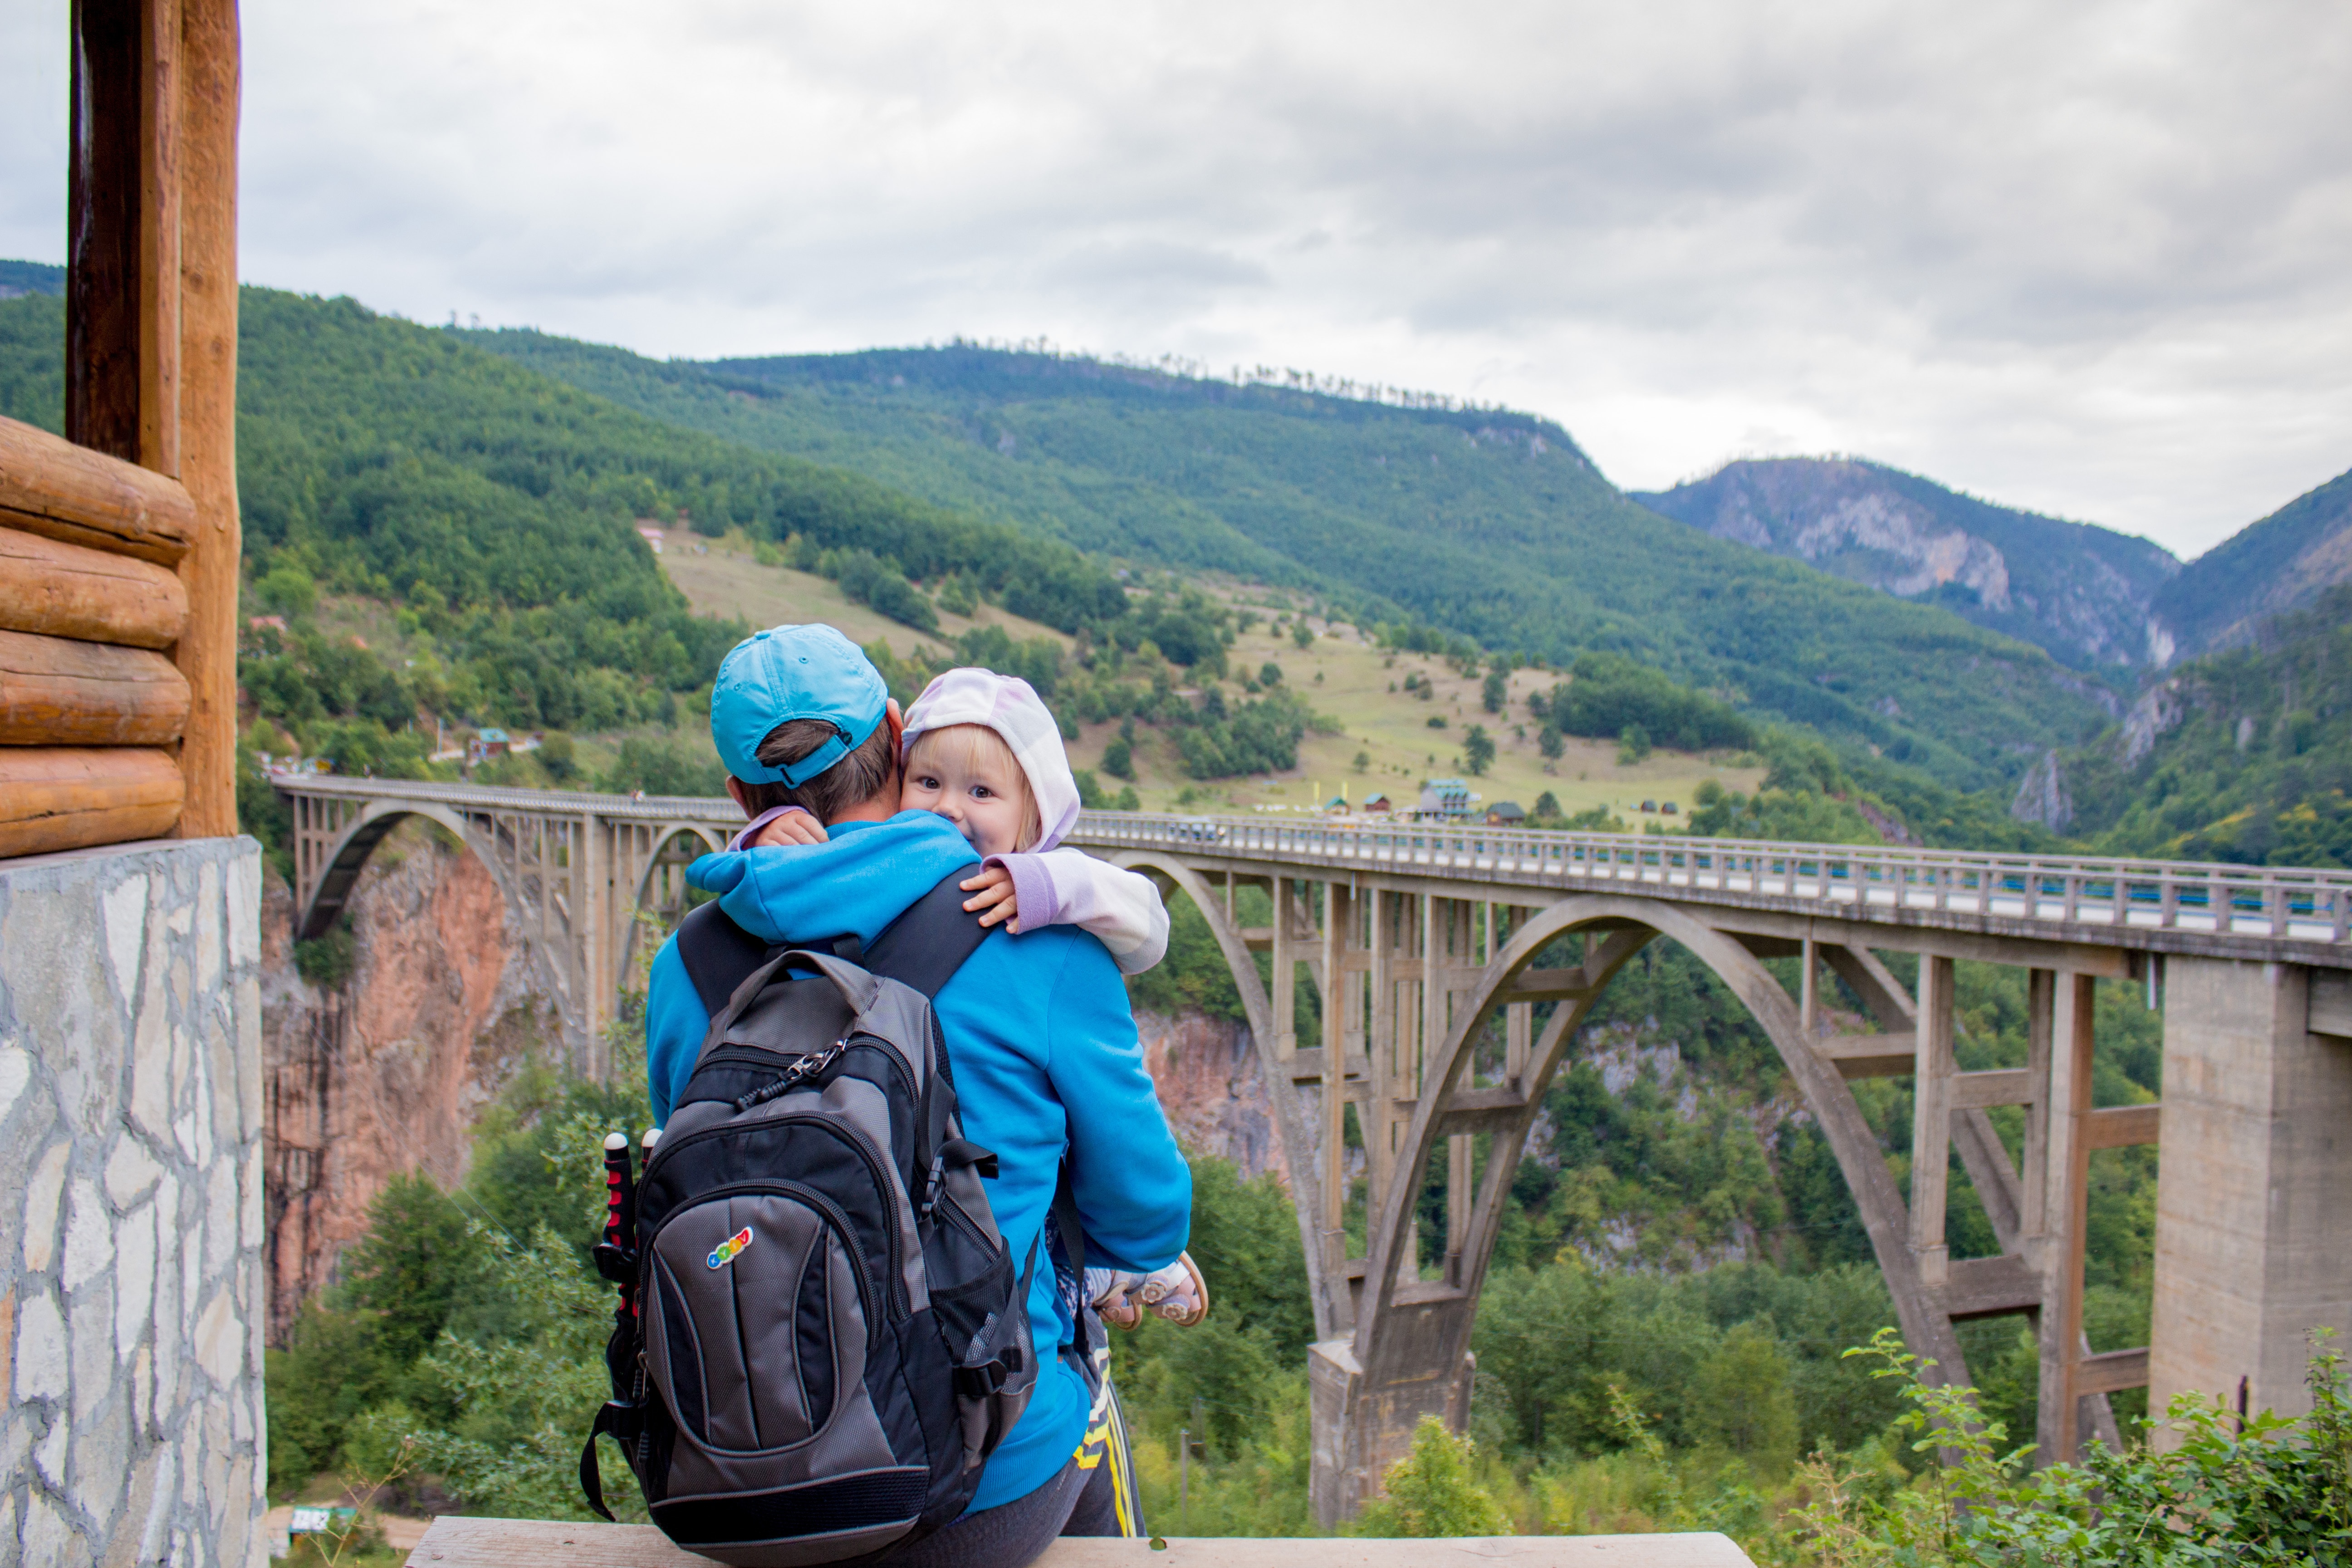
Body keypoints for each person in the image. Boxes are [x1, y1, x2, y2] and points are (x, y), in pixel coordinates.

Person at [641, 625, 1193, 1564]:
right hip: (977, 1492)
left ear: (738, 795)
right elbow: (1148, 1221)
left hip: (740, 1489)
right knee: (1077, 1373)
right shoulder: (1037, 936)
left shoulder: (685, 966)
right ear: (898, 739)